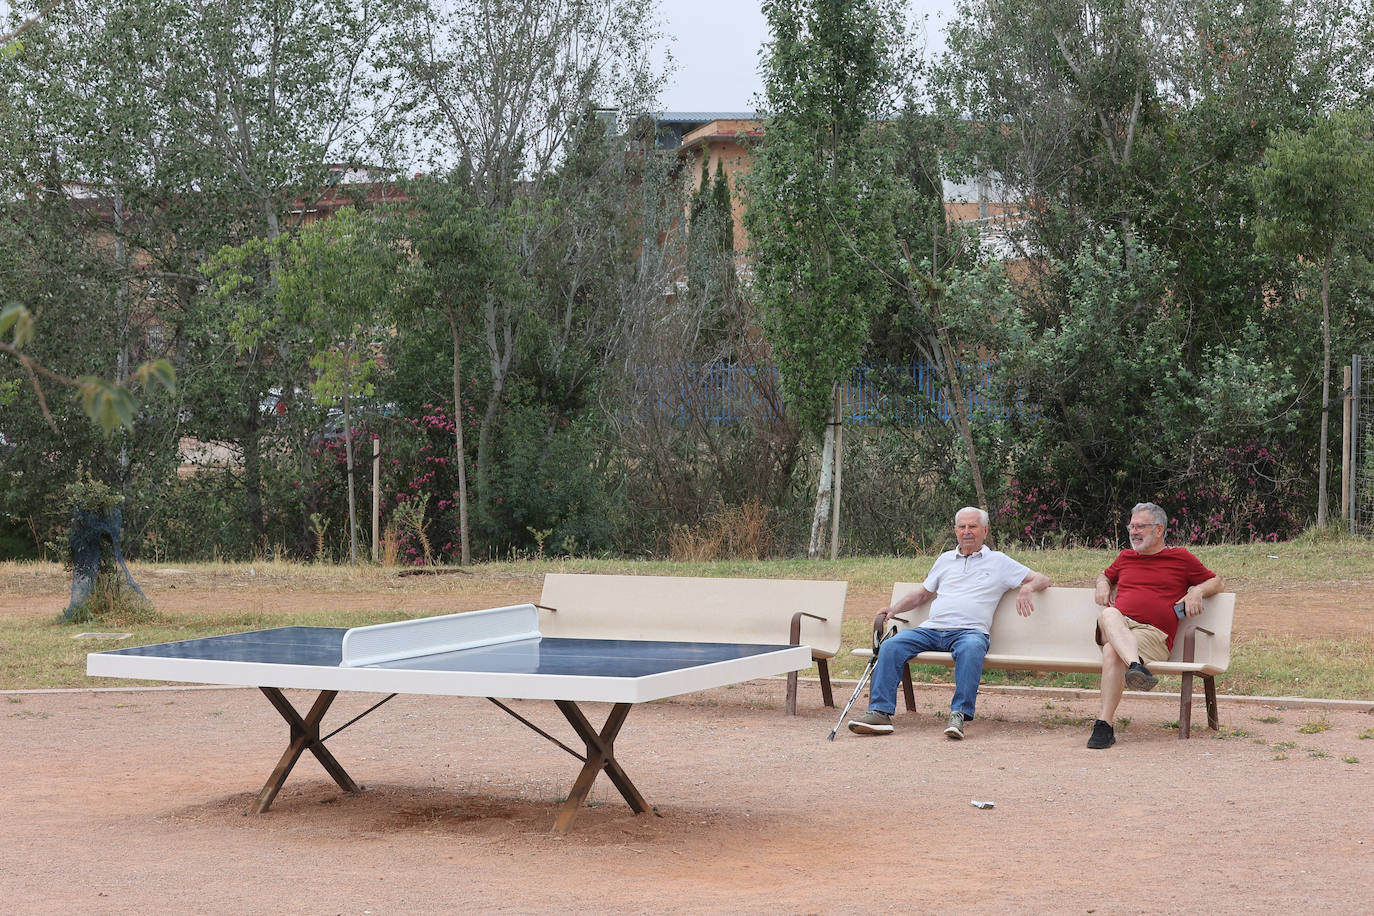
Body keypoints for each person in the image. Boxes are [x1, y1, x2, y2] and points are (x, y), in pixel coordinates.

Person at [848, 507, 1050, 740]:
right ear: (955, 530)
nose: (967, 532)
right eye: (962, 527)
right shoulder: (945, 560)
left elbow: (1043, 578)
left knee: (972, 648)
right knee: (892, 645)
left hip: (969, 633)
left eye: (973, 527)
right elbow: (922, 595)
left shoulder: (999, 561)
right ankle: (879, 713)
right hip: (931, 630)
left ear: (985, 531)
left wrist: (1027, 587)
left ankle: (959, 715)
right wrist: (894, 609)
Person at [1088, 502, 1223, 749]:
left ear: (1159, 530)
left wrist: (1197, 590)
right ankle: (1136, 666)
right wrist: (1102, 583)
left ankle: (1104, 725)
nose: (1133, 531)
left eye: (1140, 526)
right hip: (1120, 628)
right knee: (1109, 615)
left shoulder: (1180, 558)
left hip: (1153, 636)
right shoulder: (1125, 557)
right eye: (1131, 526)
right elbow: (1105, 574)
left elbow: (1216, 581)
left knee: (1111, 651)